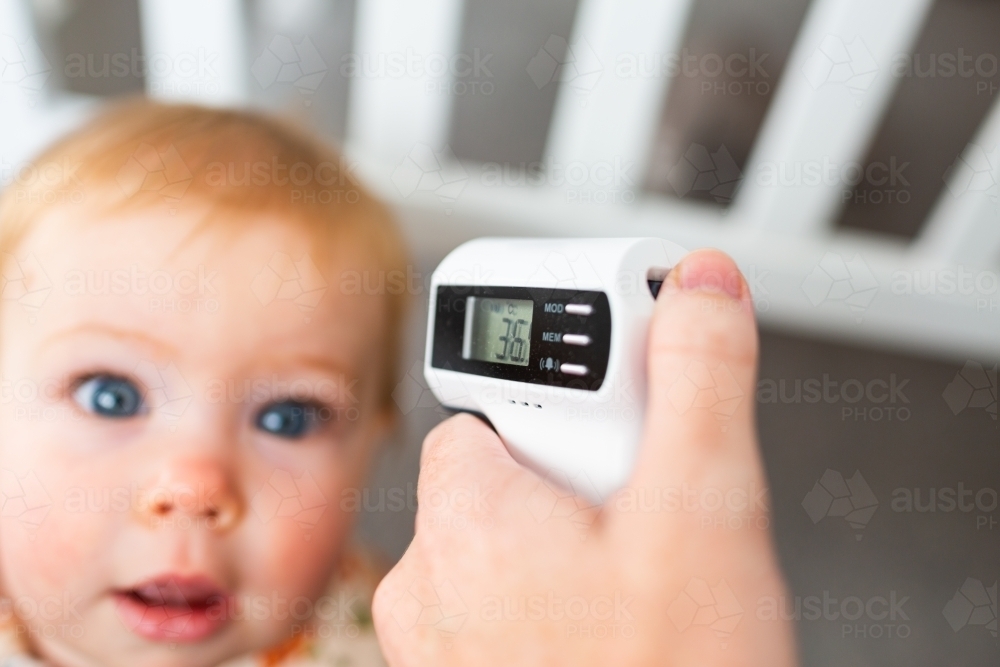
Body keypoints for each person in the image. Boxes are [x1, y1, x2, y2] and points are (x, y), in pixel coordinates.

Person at [0, 100, 796, 666]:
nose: (197, 486)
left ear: (374, 447)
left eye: (287, 416)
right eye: (111, 395)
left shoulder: (416, 635)